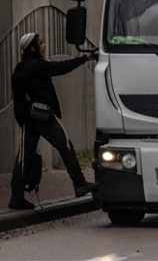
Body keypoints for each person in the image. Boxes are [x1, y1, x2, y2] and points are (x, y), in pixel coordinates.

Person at [9, 33, 98, 210]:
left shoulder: (20, 68)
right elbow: (61, 67)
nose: (44, 45)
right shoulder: (38, 66)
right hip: (43, 117)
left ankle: (16, 197)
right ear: (33, 48)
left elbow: (19, 97)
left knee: (24, 157)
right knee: (65, 146)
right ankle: (79, 184)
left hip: (29, 119)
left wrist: (23, 117)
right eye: (41, 43)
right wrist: (84, 59)